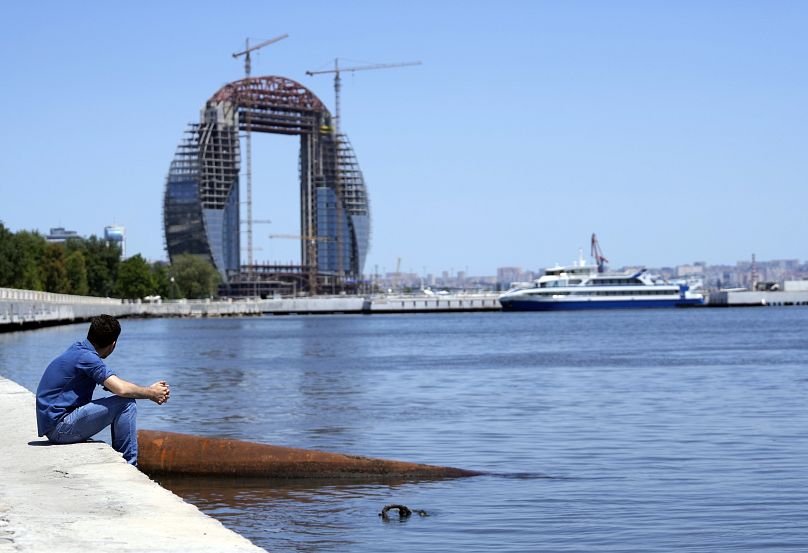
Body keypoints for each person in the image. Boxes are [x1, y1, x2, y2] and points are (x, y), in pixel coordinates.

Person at [35, 314, 170, 465]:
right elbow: (122, 390)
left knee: (123, 399)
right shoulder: (88, 358)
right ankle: (129, 465)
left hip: (53, 425)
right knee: (126, 403)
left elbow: (112, 385)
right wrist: (152, 393)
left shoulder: (78, 349)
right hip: (59, 428)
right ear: (113, 344)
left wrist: (127, 388)